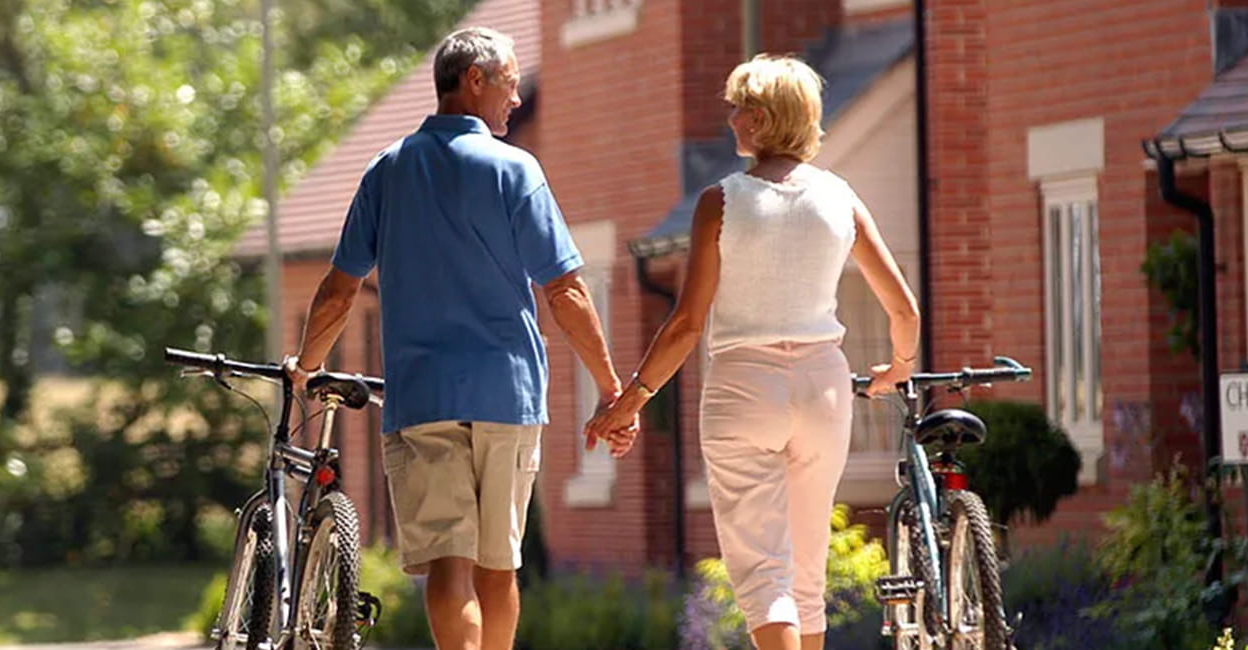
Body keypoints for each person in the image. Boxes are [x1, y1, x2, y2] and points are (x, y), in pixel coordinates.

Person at [282, 26, 619, 650]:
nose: (516, 101)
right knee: (498, 563)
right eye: (511, 86)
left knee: (449, 563)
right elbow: (566, 290)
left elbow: (338, 290)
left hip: (425, 399)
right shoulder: (516, 169)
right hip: (507, 395)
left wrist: (306, 366)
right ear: (475, 81)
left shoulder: (388, 169)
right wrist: (610, 388)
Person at [586, 54, 921, 650]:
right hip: (823, 384)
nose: (731, 118)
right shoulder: (841, 199)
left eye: (739, 107)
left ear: (763, 119)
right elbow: (905, 312)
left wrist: (631, 399)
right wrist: (898, 367)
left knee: (763, 572)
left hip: (743, 385)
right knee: (806, 568)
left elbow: (688, 323)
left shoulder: (722, 201)